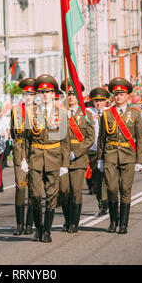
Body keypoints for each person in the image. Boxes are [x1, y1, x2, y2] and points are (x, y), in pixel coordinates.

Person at [97, 77, 142, 234]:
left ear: (127, 96)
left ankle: (123, 224)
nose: (118, 97)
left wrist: (140, 160)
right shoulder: (106, 114)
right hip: (110, 155)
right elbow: (102, 138)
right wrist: (100, 159)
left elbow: (139, 138)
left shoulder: (135, 114)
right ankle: (113, 221)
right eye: (116, 94)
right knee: (111, 188)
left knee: (125, 189)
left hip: (128, 155)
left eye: (122, 94)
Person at [26, 74, 69, 243]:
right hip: (36, 157)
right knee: (35, 195)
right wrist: (24, 159)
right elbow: (26, 140)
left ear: (53, 94)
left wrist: (65, 163)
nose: (44, 95)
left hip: (54, 157)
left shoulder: (62, 113)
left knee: (52, 195)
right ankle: (38, 227)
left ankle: (47, 231)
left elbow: (65, 140)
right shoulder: (31, 113)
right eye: (42, 92)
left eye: (48, 92)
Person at [59, 80, 94, 233]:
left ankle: (74, 222)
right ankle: (67, 220)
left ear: (79, 96)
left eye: (74, 94)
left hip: (78, 158)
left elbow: (90, 137)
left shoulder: (86, 115)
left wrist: (77, 152)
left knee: (76, 191)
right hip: (63, 158)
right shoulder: (60, 114)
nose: (71, 97)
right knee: (64, 191)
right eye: (69, 94)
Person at [11, 78, 35, 235]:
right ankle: (19, 223)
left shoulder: (39, 111)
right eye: (26, 93)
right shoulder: (15, 110)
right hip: (20, 150)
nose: (28, 97)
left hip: (35, 151)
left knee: (34, 188)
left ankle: (29, 224)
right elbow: (12, 131)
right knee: (20, 187)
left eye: (31, 94)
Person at [86, 87, 110, 216]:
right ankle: (102, 202)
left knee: (109, 178)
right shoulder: (87, 112)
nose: (98, 103)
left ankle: (108, 201)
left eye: (101, 100)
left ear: (105, 101)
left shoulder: (110, 112)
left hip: (108, 150)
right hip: (94, 150)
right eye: (96, 101)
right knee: (96, 179)